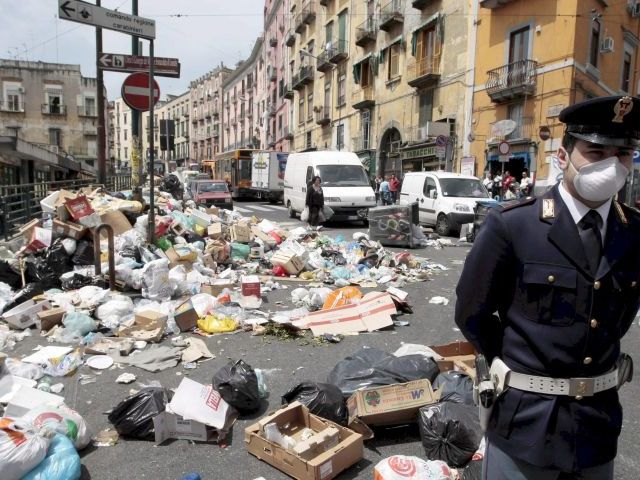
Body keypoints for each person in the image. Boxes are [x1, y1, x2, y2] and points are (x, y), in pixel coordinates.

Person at [455, 95, 640, 480]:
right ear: (563, 155)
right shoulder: (513, 226)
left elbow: (620, 316)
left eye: (622, 153)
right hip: (527, 423)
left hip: (597, 426)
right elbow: (472, 313)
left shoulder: (634, 232)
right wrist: (514, 363)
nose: (611, 164)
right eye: (595, 151)